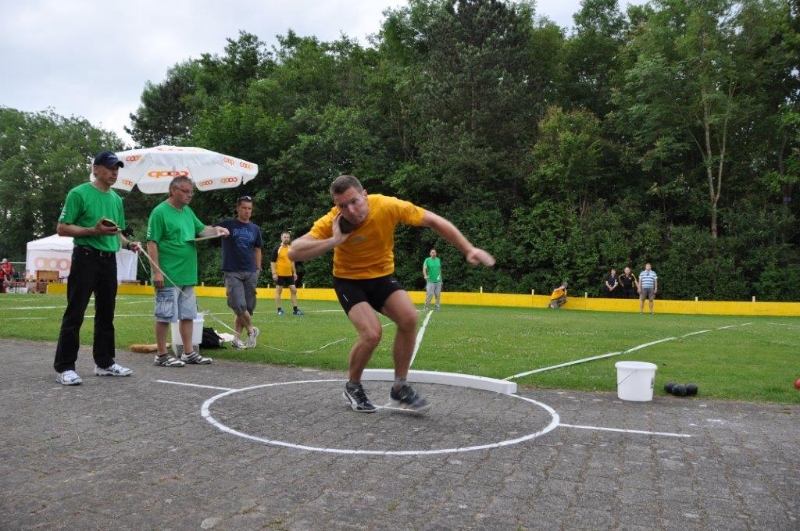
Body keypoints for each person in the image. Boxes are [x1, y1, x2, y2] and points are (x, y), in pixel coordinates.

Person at [289, 174, 495, 413]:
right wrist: (334, 241)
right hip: (349, 281)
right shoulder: (332, 221)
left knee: (409, 318)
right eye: (342, 206)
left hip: (381, 277)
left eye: (355, 201)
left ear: (365, 195)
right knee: (371, 334)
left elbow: (433, 220)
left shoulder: (387, 206)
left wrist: (468, 248)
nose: (350, 211)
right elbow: (294, 251)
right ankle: (352, 386)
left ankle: (400, 388)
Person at [53, 151, 142, 386]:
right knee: (75, 313)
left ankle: (104, 363)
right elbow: (62, 228)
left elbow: (116, 232)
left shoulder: (116, 200)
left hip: (109, 260)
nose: (115, 172)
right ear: (95, 168)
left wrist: (129, 244)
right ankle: (64, 367)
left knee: (106, 313)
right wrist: (93, 230)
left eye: (117, 168)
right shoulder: (78, 193)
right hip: (86, 257)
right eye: (110, 167)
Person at [147, 176, 229, 367]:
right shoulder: (159, 212)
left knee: (188, 314)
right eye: (185, 191)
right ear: (172, 191)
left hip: (187, 274)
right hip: (169, 273)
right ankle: (161, 355)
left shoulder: (187, 211)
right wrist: (157, 271)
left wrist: (217, 230)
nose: (189, 194)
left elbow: (201, 230)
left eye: (191, 191)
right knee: (164, 315)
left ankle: (188, 352)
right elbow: (151, 243)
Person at [214, 196, 263, 349]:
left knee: (248, 308)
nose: (247, 211)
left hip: (250, 272)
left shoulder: (255, 229)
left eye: (250, 209)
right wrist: (217, 230)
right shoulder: (228, 225)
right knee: (238, 305)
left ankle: (236, 340)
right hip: (232, 271)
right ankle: (251, 331)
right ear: (238, 208)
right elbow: (208, 230)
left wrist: (258, 268)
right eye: (244, 208)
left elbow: (257, 249)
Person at [271, 232, 304, 316]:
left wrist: (294, 272)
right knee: (279, 291)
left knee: (294, 290)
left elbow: (292, 261)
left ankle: (295, 310)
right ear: (281, 238)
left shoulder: (290, 248)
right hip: (279, 274)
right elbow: (273, 262)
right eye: (285, 237)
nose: (286, 239)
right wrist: (274, 273)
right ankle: (279, 310)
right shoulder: (277, 248)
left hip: (289, 274)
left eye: (288, 237)